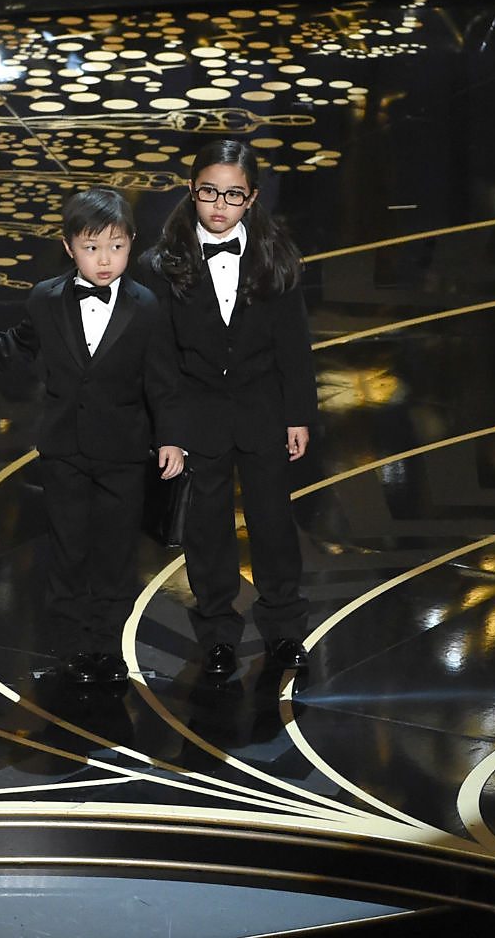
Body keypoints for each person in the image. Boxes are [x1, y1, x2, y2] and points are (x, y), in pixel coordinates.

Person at [0, 190, 185, 687]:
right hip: (64, 448)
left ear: (132, 244)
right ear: (69, 248)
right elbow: (15, 343)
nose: (104, 259)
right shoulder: (46, 297)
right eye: (92, 248)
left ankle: (107, 648)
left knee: (115, 554)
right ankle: (70, 648)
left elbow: (163, 379)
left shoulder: (148, 306)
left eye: (115, 246)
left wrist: (171, 438)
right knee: (67, 550)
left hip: (124, 452)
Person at [141, 140, 317, 682]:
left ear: (252, 198)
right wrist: (168, 432)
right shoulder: (160, 265)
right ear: (192, 190)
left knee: (273, 522)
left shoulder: (275, 257)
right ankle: (217, 631)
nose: (219, 205)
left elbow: (294, 346)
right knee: (206, 530)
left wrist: (299, 415)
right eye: (210, 192)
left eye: (233, 194)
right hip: (197, 418)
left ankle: (284, 628)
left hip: (263, 412)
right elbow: (159, 362)